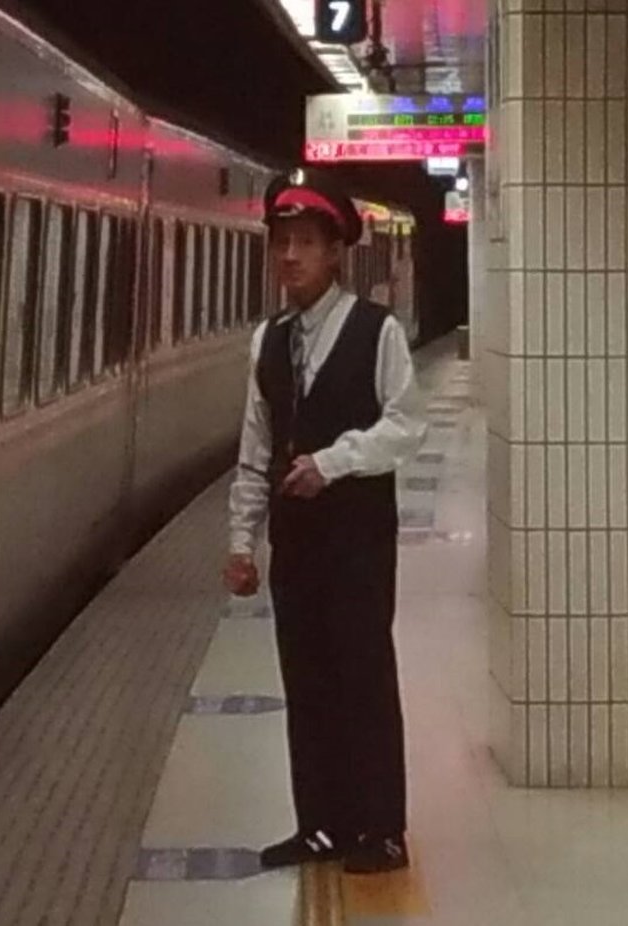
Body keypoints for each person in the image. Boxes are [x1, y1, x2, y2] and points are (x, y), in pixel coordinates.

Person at [223, 168, 427, 873]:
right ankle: (319, 825)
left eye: (305, 243)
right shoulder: (268, 341)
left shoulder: (377, 332)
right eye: (282, 243)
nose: (290, 257)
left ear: (335, 252)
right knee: (305, 678)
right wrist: (241, 541)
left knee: (363, 676)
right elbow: (256, 446)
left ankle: (382, 830)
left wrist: (334, 462)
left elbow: (407, 426)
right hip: (297, 543)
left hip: (357, 540)